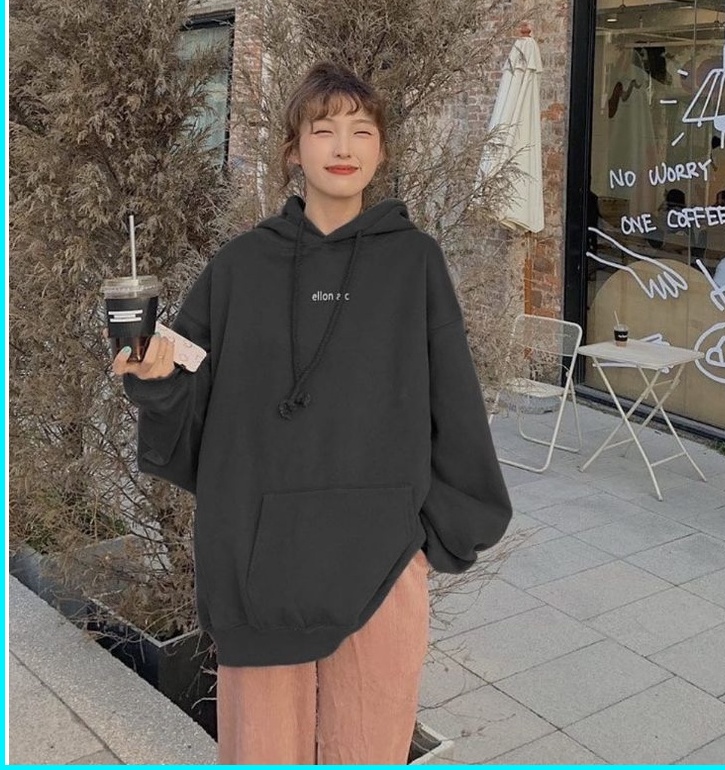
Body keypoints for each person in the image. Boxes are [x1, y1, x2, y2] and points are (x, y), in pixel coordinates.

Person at [112, 62, 512, 764]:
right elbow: (186, 386)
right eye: (323, 129)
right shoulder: (240, 267)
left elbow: (453, 399)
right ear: (293, 150)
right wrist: (155, 379)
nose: (343, 146)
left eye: (362, 130)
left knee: (369, 747)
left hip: (383, 558)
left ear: (381, 149)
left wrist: (433, 538)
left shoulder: (414, 263)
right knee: (263, 750)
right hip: (259, 559)